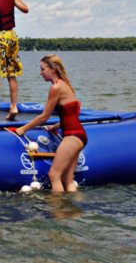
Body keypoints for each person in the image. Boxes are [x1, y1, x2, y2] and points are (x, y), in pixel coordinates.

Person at [15, 54, 88, 193]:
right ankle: (76, 213)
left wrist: (23, 129)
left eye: (43, 69)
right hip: (79, 135)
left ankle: (58, 212)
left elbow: (44, 116)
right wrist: (56, 127)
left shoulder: (56, 87)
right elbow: (71, 114)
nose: (40, 72)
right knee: (68, 179)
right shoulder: (66, 84)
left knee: (54, 175)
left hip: (72, 136)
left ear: (53, 69)